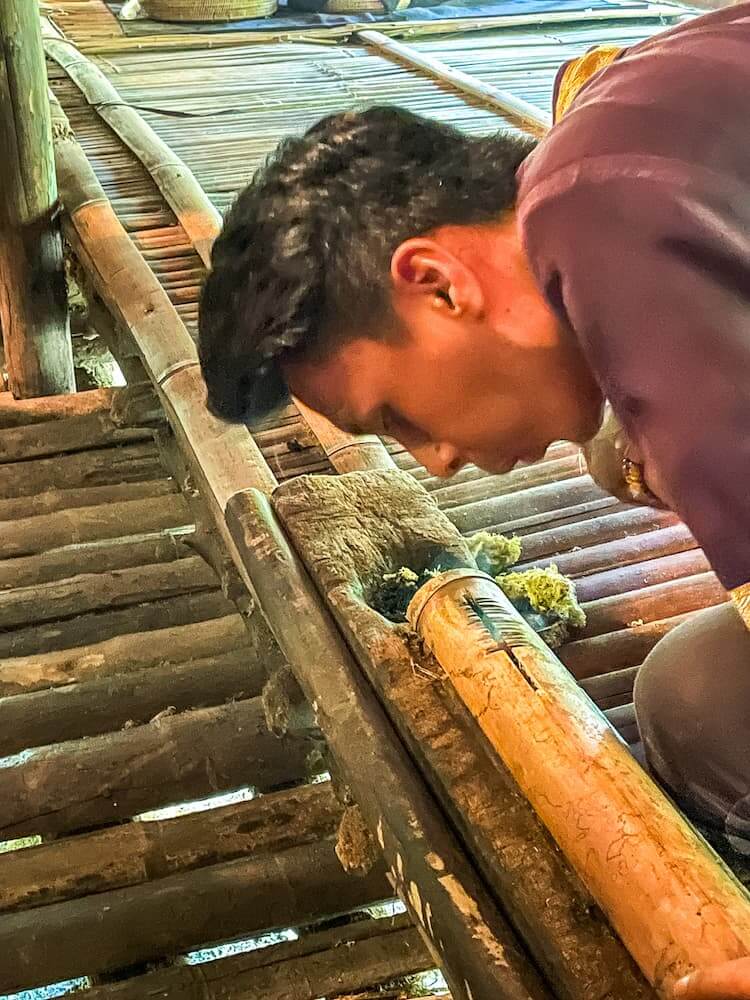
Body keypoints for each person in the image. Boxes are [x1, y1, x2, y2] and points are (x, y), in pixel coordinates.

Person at [198, 5, 750, 994]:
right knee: (703, 705)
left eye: (397, 418)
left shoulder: (601, 213)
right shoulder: (610, 118)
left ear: (437, 283)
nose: (439, 461)